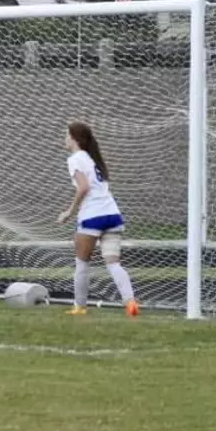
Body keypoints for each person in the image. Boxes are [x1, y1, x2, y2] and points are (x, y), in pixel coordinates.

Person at [57, 122, 140, 317]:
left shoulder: (75, 159)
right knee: (113, 263)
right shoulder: (92, 159)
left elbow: (83, 188)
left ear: (74, 138)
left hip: (92, 217)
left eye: (66, 135)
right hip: (112, 215)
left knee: (82, 263)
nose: (64, 139)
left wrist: (69, 211)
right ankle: (130, 302)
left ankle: (80, 306)